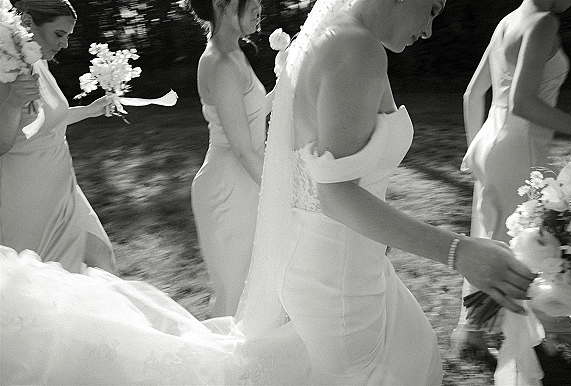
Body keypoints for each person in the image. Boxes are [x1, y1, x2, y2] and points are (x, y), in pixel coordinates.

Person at [0, 0, 537, 384]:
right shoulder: (355, 49)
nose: (433, 21)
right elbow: (335, 195)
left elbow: (325, 178)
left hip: (346, 266)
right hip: (340, 280)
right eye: (435, 8)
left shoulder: (338, 38)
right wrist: (458, 251)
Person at [453, 0, 571, 380]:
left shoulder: (508, 21)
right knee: (526, 246)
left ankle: (475, 331)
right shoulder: (543, 22)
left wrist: (477, 149)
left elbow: (472, 95)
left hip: (490, 143)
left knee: (491, 240)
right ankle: (533, 335)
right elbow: (525, 103)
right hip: (520, 147)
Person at [0, 0, 116, 274]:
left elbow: (46, 122)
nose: (64, 45)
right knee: (46, 284)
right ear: (27, 23)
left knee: (102, 259)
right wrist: (14, 102)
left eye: (67, 36)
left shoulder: (37, 63)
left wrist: (89, 111)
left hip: (63, 187)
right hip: (28, 195)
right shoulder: (8, 71)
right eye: (58, 34)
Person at [188, 0, 273, 317]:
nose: (259, 4)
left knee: (254, 291)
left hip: (245, 180)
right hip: (229, 190)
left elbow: (247, 115)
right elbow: (242, 148)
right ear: (222, 5)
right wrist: (282, 192)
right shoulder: (221, 63)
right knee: (236, 299)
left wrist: (288, 88)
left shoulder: (235, 51)